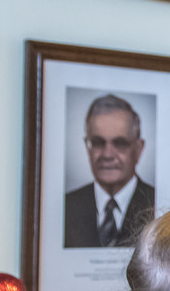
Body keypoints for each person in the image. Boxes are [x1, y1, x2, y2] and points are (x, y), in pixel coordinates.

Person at [64, 95, 155, 249]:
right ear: (87, 147)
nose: (107, 154)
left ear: (139, 149)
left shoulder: (157, 204)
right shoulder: (67, 206)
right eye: (98, 142)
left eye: (120, 143)